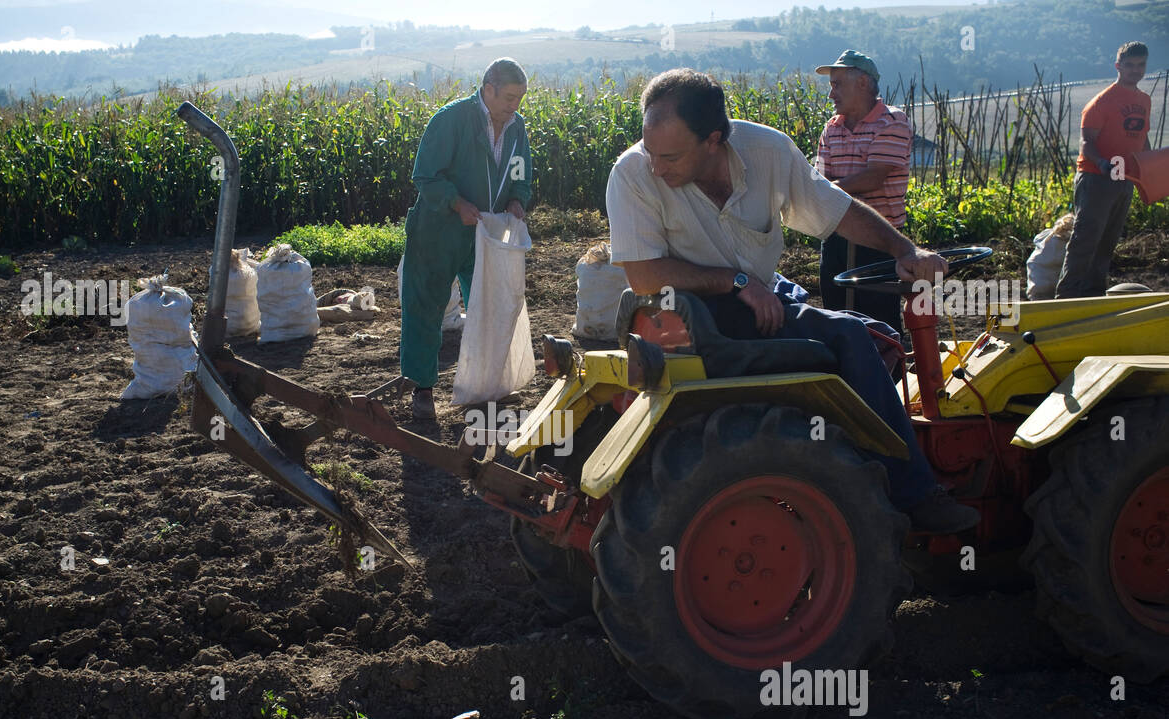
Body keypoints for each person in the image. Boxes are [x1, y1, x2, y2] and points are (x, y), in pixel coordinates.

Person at [605, 68, 979, 533]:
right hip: (692, 316)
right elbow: (642, 274)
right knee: (849, 336)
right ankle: (916, 494)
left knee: (875, 334)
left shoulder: (768, 152)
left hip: (753, 298)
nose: (658, 166)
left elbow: (837, 211)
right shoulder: (634, 172)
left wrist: (905, 249)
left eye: (671, 157)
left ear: (714, 139)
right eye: (652, 152)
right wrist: (738, 282)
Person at [400, 58, 533, 421]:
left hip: (487, 235)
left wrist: (517, 199)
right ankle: (422, 388)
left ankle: (485, 383)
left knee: (489, 305)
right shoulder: (451, 120)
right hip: (438, 232)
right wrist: (456, 202)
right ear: (487, 89)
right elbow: (425, 176)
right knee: (425, 306)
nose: (514, 106)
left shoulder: (517, 128)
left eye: (519, 98)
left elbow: (520, 170)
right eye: (508, 97)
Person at [813, 50, 913, 334]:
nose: (831, 94)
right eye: (831, 85)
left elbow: (873, 177)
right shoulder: (831, 129)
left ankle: (887, 375)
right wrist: (824, 189)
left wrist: (828, 191)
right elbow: (819, 177)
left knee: (879, 320)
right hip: (837, 238)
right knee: (836, 316)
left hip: (879, 239)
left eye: (837, 84)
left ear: (863, 84)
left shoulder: (892, 122)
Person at [1055, 42, 1151, 298]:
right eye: (1129, 65)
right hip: (1096, 177)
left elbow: (1142, 138)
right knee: (1086, 239)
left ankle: (1093, 293)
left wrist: (1151, 168)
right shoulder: (1102, 102)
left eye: (1140, 65)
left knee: (1108, 240)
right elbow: (1087, 143)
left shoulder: (1144, 100)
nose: (1135, 70)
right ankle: (1066, 296)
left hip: (1124, 179)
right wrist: (1102, 163)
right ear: (1118, 66)